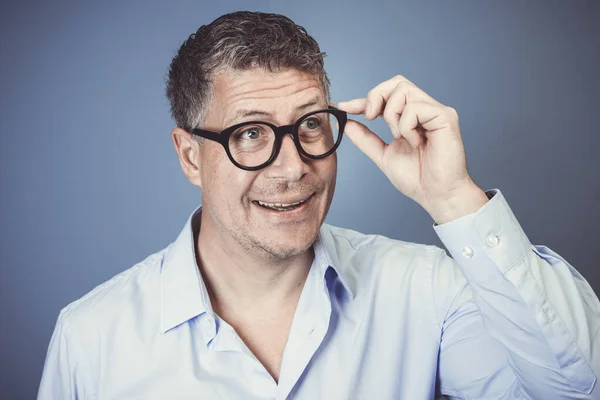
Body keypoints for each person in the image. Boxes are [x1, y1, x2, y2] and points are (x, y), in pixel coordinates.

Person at [38, 11, 600, 400]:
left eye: (310, 125)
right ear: (190, 156)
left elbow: (576, 388)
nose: (293, 168)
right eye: (251, 134)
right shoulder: (91, 339)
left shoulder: (429, 290)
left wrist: (454, 198)